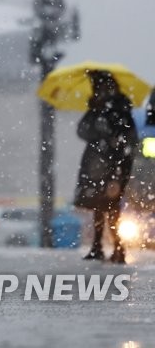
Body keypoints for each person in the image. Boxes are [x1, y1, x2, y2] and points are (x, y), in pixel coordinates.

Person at [74, 70, 138, 264]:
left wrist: (113, 141)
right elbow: (82, 131)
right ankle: (99, 247)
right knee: (98, 206)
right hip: (96, 166)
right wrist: (94, 113)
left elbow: (128, 138)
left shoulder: (119, 108)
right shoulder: (96, 109)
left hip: (114, 165)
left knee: (110, 206)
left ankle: (117, 248)